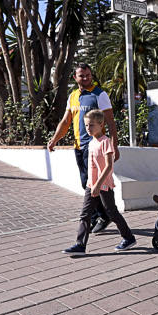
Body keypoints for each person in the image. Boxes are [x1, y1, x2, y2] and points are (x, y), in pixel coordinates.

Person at [48, 64, 117, 233]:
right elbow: (65, 122)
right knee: (85, 183)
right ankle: (98, 216)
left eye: (88, 75)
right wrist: (54, 140)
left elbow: (110, 121)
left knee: (94, 184)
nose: (85, 78)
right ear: (75, 78)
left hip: (95, 146)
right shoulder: (73, 96)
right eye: (82, 75)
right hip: (79, 146)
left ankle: (103, 216)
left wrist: (114, 146)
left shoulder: (99, 94)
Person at [64, 109, 136, 255]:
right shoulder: (92, 142)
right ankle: (80, 245)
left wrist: (98, 185)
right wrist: (92, 184)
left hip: (103, 185)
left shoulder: (105, 142)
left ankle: (128, 238)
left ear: (101, 124)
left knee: (111, 212)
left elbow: (109, 166)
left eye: (91, 125)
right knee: (85, 214)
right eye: (86, 125)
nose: (88, 128)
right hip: (92, 185)